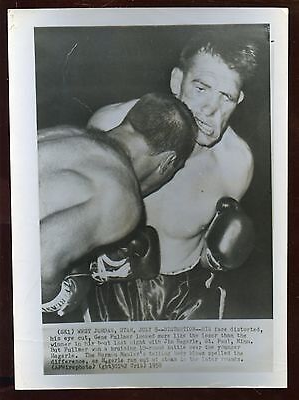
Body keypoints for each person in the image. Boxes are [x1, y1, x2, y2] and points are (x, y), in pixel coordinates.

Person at [86, 31, 258, 321]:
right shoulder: (111, 127)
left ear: (238, 99)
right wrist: (92, 254)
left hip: (185, 297)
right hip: (113, 290)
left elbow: (203, 244)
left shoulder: (237, 164)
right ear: (177, 81)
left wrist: (215, 258)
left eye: (225, 97)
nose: (209, 110)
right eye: (201, 88)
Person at [39, 92, 197, 315]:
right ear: (169, 161)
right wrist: (60, 296)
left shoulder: (67, 134)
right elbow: (41, 264)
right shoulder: (122, 196)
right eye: (174, 169)